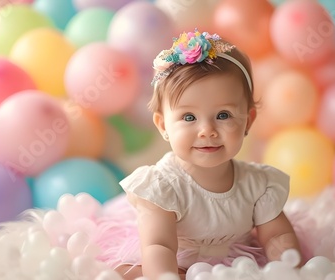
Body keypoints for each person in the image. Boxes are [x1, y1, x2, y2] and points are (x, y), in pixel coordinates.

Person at [97, 29, 301, 280]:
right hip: (178, 261)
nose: (207, 131)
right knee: (124, 274)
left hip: (236, 264)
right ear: (163, 126)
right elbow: (158, 245)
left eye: (223, 115)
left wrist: (287, 262)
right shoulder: (163, 187)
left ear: (248, 121)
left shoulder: (258, 184)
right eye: (189, 117)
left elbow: (276, 235)